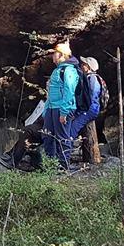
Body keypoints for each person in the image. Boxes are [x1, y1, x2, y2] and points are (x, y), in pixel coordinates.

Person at [42, 41, 79, 169]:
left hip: (62, 109)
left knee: (62, 138)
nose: (52, 56)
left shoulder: (68, 71)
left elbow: (69, 92)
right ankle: (50, 165)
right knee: (47, 135)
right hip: (52, 108)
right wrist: (46, 110)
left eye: (55, 53)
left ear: (62, 55)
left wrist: (64, 112)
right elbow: (51, 93)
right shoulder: (57, 70)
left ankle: (63, 166)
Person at [71, 57, 102, 165]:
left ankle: (65, 155)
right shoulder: (88, 77)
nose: (81, 65)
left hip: (90, 110)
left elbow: (92, 96)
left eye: (84, 64)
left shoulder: (92, 79)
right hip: (88, 109)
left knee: (72, 129)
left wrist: (84, 109)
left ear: (88, 67)